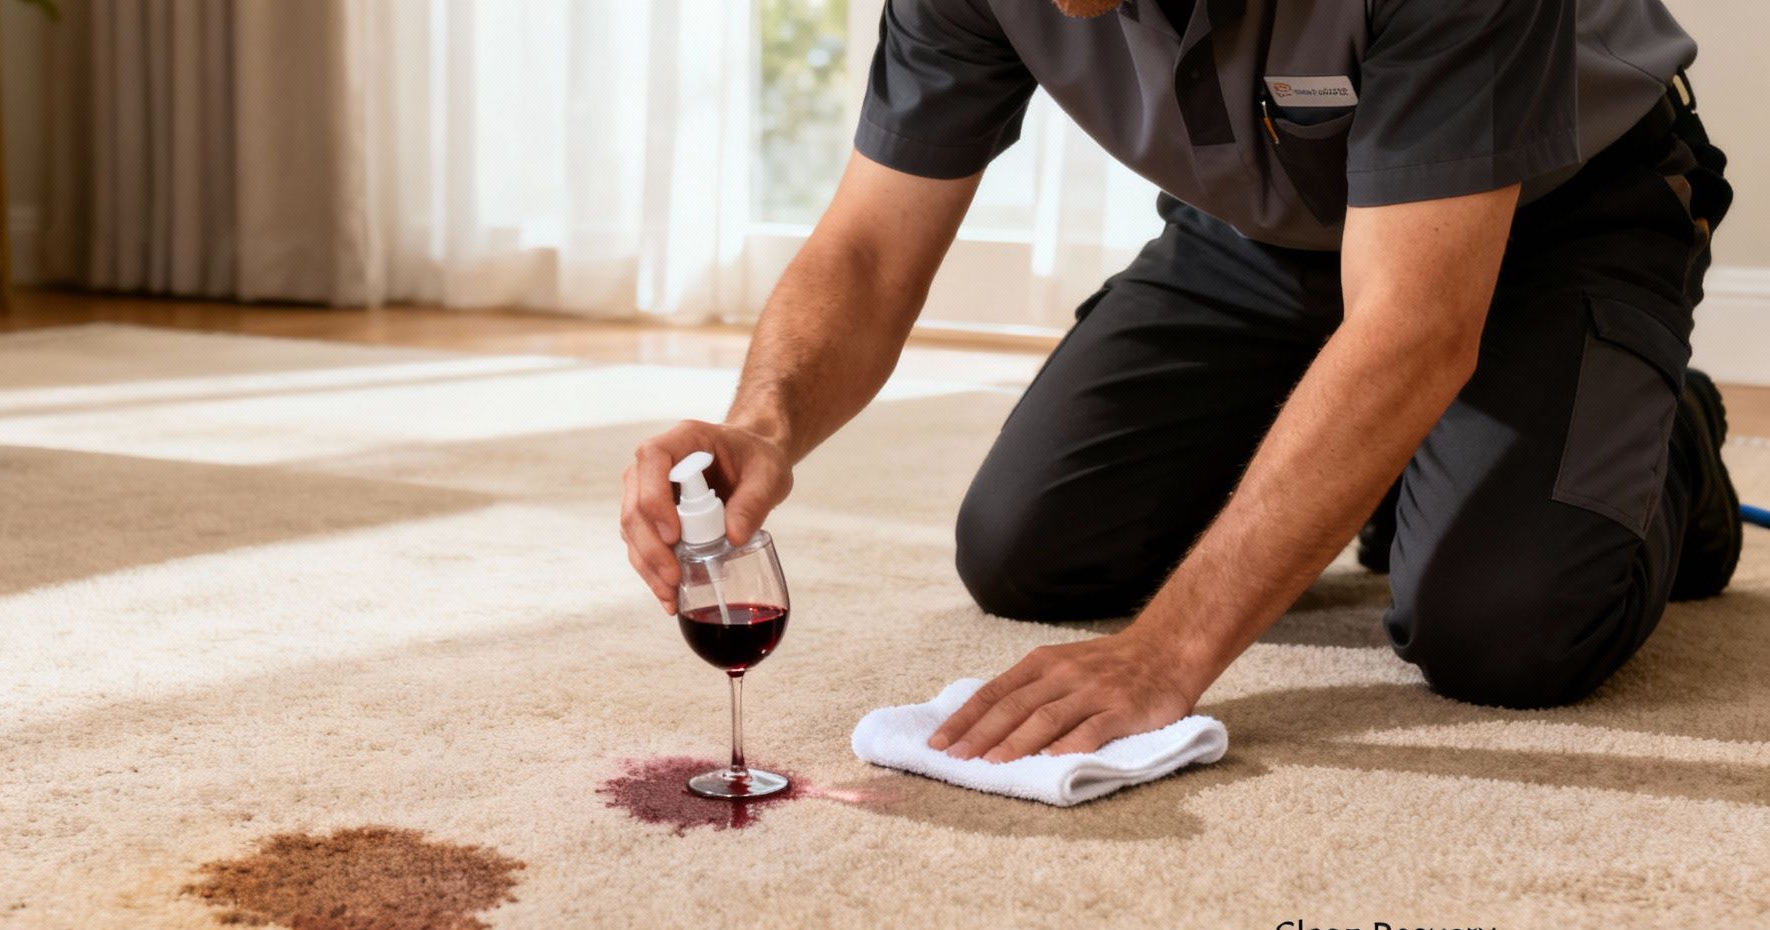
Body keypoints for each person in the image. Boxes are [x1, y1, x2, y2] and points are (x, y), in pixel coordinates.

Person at [619, 0, 1740, 763]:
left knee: (1502, 628)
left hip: (1559, 223)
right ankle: (1401, 455)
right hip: (1264, 239)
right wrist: (763, 423)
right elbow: (867, 249)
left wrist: (1164, 655)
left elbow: (1412, 325)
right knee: (1029, 549)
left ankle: (1665, 444)